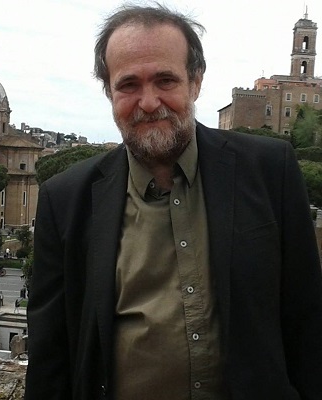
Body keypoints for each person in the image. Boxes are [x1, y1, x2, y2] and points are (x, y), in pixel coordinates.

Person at [25, 4, 322, 400]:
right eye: (128, 85)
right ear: (109, 92)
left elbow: (307, 319)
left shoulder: (271, 170)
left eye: (165, 80)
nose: (149, 102)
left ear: (195, 81)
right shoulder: (64, 199)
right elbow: (50, 356)